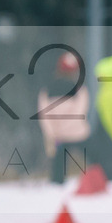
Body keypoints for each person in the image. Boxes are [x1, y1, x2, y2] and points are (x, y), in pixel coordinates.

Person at [37, 51, 92, 184]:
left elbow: (44, 117)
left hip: (58, 138)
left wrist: (53, 134)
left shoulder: (46, 90)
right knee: (95, 162)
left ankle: (56, 185)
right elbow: (82, 112)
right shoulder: (81, 90)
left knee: (57, 174)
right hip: (79, 135)